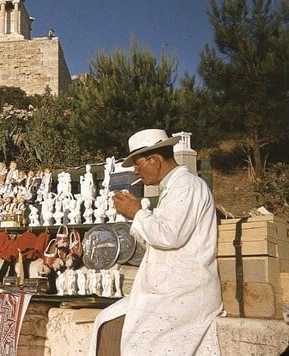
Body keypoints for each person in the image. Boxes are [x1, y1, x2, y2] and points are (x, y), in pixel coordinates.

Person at [88, 129, 222, 355]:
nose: (135, 170)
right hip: (165, 292)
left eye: (138, 163)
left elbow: (169, 236)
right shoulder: (172, 190)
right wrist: (136, 216)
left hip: (184, 293)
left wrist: (137, 213)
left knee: (142, 345)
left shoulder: (187, 186)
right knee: (105, 321)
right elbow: (158, 240)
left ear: (156, 160)